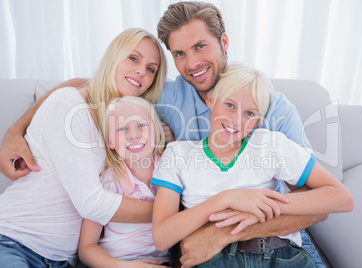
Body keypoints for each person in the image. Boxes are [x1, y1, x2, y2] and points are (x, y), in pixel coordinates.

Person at [0, 1, 326, 267]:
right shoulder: (164, 99)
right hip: (184, 243)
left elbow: (319, 203)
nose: (193, 63)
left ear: (223, 42)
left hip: (275, 242)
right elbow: (93, 87)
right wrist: (17, 128)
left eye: (200, 46)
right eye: (180, 54)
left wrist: (219, 233)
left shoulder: (273, 106)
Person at [151, 63, 354, 267]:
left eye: (249, 114)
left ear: (257, 121)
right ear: (210, 100)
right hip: (215, 258)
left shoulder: (270, 144)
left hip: (280, 253)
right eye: (230, 105)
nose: (236, 120)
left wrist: (259, 209)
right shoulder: (178, 154)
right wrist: (226, 199)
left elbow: (342, 198)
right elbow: (162, 237)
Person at [0, 28, 168, 267]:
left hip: (61, 260)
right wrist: (174, 212)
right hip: (14, 240)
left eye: (151, 69)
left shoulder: (122, 125)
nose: (142, 70)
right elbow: (91, 202)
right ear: (113, 57)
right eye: (133, 58)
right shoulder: (69, 104)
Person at [78, 96, 170, 267]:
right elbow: (86, 248)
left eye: (142, 125)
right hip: (117, 263)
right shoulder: (108, 180)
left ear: (157, 132)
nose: (134, 135)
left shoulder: (171, 169)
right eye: (122, 129)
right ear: (110, 142)